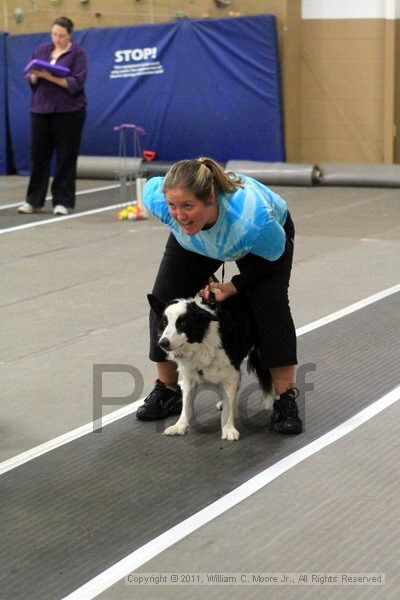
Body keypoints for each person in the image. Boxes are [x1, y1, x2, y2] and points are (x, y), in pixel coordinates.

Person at [136, 157, 303, 434]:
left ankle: (285, 399)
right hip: (195, 241)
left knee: (270, 308)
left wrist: (236, 285)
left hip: (263, 249)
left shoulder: (252, 222)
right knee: (163, 301)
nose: (179, 214)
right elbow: (173, 209)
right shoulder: (160, 201)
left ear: (210, 198)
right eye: (173, 206)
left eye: (188, 205)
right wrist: (201, 272)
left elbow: (276, 256)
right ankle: (168, 391)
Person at [18, 16, 88, 216]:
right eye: (54, 34)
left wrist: (48, 75)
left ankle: (62, 202)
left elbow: (75, 83)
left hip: (69, 112)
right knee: (38, 156)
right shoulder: (41, 50)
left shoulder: (78, 54)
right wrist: (33, 75)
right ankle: (33, 200)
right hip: (40, 110)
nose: (57, 39)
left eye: (62, 35)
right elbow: (31, 79)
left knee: (66, 157)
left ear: (70, 35)